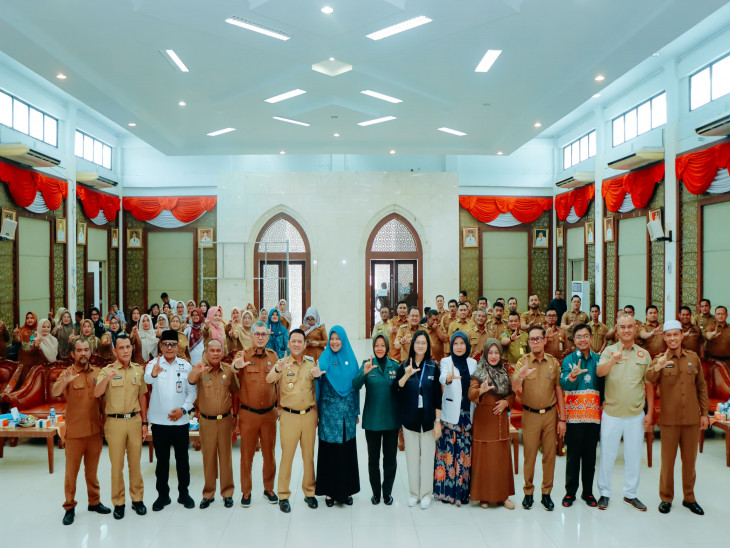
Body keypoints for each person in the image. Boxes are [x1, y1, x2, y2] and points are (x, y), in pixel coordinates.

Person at [645, 320, 709, 515]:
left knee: (690, 462)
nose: (672, 338)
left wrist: (704, 414)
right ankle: (666, 498)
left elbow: (701, 387)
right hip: (669, 420)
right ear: (664, 338)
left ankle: (689, 498)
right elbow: (648, 378)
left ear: (682, 335)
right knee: (668, 462)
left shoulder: (693, 358)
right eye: (668, 335)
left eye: (675, 334)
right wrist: (658, 367)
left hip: (691, 419)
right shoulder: (660, 359)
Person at [596, 314, 653, 511]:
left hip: (635, 414)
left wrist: (649, 413)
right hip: (611, 413)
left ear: (635, 329)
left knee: (633, 456)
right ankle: (604, 493)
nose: (626, 330)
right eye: (623, 327)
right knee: (607, 455)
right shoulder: (609, 351)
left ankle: (630, 494)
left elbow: (649, 384)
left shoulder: (643, 355)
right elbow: (599, 372)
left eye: (630, 326)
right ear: (617, 329)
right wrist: (612, 361)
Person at [52, 339, 110, 525]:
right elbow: (55, 391)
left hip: (94, 432)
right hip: (75, 434)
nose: (83, 353)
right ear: (73, 354)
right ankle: (69, 507)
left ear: (90, 352)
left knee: (92, 472)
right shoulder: (68, 372)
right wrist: (65, 382)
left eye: (86, 350)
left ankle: (94, 502)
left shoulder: (98, 373)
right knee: (71, 474)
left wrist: (105, 425)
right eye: (79, 350)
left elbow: (104, 401)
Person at [266, 329, 322, 513]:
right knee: (287, 456)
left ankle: (309, 492)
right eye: (294, 341)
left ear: (305, 345)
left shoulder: (311, 363)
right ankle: (283, 495)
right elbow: (269, 379)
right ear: (288, 344)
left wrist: (318, 377)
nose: (297, 344)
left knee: (308, 456)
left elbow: (316, 390)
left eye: (300, 341)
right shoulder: (282, 363)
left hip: (309, 415)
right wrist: (278, 369)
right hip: (289, 416)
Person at [94, 334, 148, 519]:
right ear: (115, 351)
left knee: (135, 464)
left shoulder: (138, 370)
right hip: (115, 422)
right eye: (121, 348)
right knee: (117, 466)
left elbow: (142, 396)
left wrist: (144, 422)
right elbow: (97, 393)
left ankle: (137, 499)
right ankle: (118, 502)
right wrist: (107, 379)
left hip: (134, 421)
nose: (125, 351)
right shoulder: (107, 371)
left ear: (132, 348)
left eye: (128, 347)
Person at [512, 325, 566, 511]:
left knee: (550, 456)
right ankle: (528, 493)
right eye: (531, 339)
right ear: (528, 342)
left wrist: (562, 418)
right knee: (529, 456)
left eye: (538, 338)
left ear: (544, 340)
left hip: (550, 415)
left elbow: (558, 390)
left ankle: (546, 493)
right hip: (530, 415)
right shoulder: (523, 362)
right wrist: (521, 376)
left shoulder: (553, 363)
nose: (535, 342)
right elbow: (514, 387)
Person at [144, 330, 196, 511]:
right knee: (162, 462)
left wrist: (183, 410)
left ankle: (184, 494)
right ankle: (163, 496)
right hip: (159, 423)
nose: (169, 347)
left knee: (183, 460)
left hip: (180, 422)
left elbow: (192, 393)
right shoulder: (153, 364)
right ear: (160, 346)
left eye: (172, 344)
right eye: (165, 344)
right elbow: (147, 379)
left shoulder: (185, 365)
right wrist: (154, 374)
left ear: (177, 346)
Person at [232, 321, 279, 507]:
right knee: (247, 455)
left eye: (263, 334)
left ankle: (269, 489)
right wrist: (237, 366)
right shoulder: (242, 355)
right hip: (248, 415)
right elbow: (233, 368)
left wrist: (280, 407)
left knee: (269, 454)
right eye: (256, 334)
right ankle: (246, 491)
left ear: (267, 336)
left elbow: (280, 382)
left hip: (269, 415)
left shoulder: (274, 356)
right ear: (251, 336)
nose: (260, 337)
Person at [393, 330, 442, 509]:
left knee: (428, 458)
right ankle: (414, 493)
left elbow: (437, 397)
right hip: (410, 420)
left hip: (428, 420)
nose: (420, 345)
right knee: (412, 458)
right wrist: (406, 375)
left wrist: (438, 422)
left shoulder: (433, 367)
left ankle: (426, 494)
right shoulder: (404, 366)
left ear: (428, 346)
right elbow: (395, 390)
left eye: (424, 343)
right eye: (418, 342)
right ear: (413, 344)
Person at [189, 339, 239, 509]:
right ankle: (208, 494)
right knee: (208, 457)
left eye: (218, 350)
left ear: (222, 352)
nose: (216, 353)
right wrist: (196, 371)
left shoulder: (229, 370)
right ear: (206, 353)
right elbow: (191, 380)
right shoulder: (200, 369)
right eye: (212, 350)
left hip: (225, 420)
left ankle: (227, 493)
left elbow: (235, 393)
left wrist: (235, 415)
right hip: (206, 421)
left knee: (226, 458)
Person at [352, 333, 401, 505]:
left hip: (391, 420)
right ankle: (376, 493)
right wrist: (363, 373)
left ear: (387, 347)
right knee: (373, 459)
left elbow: (401, 389)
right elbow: (355, 385)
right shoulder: (367, 364)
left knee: (390, 459)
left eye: (382, 345)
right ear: (373, 347)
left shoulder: (395, 366)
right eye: (376, 345)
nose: (379, 348)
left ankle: (387, 493)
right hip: (372, 421)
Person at [315, 326, 361, 506]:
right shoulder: (325, 357)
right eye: (332, 339)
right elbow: (318, 378)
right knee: (330, 451)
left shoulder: (351, 358)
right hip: (329, 414)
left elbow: (356, 387)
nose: (334, 342)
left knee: (346, 451)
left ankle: (346, 491)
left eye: (338, 338)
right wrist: (316, 375)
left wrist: (356, 411)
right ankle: (329, 492)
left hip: (347, 414)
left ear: (343, 340)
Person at [469, 338, 515, 509]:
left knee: (501, 459)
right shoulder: (479, 372)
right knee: (484, 460)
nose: (493, 356)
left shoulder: (505, 372)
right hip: (483, 421)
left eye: (496, 353)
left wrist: (506, 402)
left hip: (499, 420)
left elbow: (512, 393)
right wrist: (480, 390)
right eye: (490, 352)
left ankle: (503, 496)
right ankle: (484, 496)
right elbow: (471, 393)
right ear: (485, 354)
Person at [559, 324, 602, 508]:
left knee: (590, 457)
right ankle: (570, 492)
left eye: (585, 336)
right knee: (573, 456)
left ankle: (588, 492)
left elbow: (604, 385)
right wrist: (573, 375)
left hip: (593, 416)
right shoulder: (568, 360)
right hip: (574, 417)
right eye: (579, 337)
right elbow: (564, 385)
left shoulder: (599, 360)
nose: (583, 339)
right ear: (574, 340)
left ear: (590, 338)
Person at [435, 331, 477, 506]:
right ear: (451, 346)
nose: (459, 347)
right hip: (451, 415)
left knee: (464, 455)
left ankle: (462, 493)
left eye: (462, 343)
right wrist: (448, 379)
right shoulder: (446, 361)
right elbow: (442, 378)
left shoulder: (473, 363)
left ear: (467, 345)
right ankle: (446, 493)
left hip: (467, 415)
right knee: (449, 455)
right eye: (455, 343)